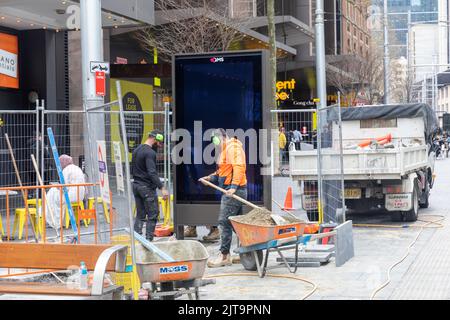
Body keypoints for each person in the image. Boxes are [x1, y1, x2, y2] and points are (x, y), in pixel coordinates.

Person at [200, 128, 247, 268]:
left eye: (214, 141)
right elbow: (223, 171)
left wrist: (233, 186)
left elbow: (239, 167)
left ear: (218, 138)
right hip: (233, 190)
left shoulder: (232, 148)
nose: (214, 144)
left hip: (234, 191)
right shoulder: (226, 149)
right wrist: (210, 177)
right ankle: (245, 251)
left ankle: (224, 256)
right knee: (236, 224)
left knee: (223, 222)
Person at [131, 130, 169, 241]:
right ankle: (148, 241)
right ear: (156, 139)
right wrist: (162, 187)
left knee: (140, 214)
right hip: (146, 188)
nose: (160, 146)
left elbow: (133, 169)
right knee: (153, 214)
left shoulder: (136, 150)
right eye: (160, 143)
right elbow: (152, 172)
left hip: (136, 186)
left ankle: (136, 240)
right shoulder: (150, 153)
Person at [45, 155, 86, 229]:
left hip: (71, 195)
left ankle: (54, 220)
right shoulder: (77, 168)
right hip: (80, 194)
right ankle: (61, 220)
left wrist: (56, 186)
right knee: (54, 193)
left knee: (52, 194)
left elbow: (64, 187)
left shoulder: (66, 170)